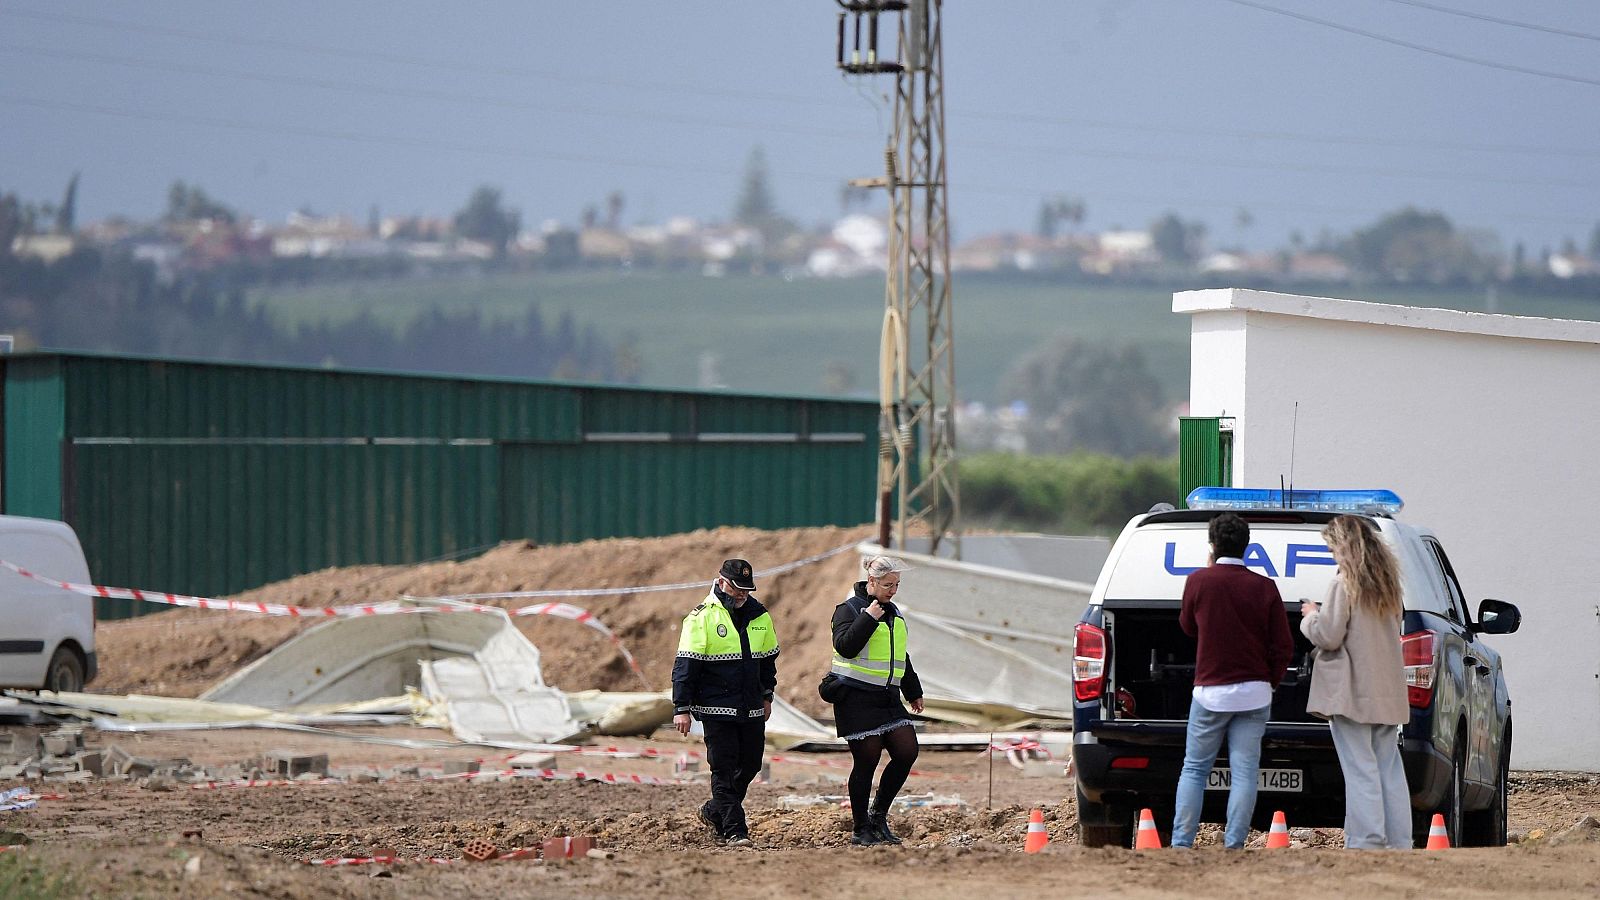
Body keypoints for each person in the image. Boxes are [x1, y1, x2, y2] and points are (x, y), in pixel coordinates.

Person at [1172, 512, 1294, 849]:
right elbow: (1283, 645)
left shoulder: (1199, 581)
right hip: (1255, 693)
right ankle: (1234, 844)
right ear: (1248, 547)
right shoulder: (1265, 586)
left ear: (1211, 545)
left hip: (1210, 690)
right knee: (1245, 772)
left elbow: (1187, 626)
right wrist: (1270, 682)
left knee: (1195, 769)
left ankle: (1182, 843)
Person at [1300, 515, 1412, 849]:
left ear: (1345, 546)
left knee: (1360, 768)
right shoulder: (1390, 584)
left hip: (1352, 692)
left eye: (1333, 548)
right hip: (1388, 692)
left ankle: (1366, 841)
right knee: (1388, 769)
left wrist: (1310, 616)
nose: (1332, 555)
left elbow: (1329, 635)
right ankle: (1399, 841)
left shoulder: (1343, 583)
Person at [672, 558, 779, 847]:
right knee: (722, 766)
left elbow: (768, 662)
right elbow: (686, 666)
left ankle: (713, 811)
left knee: (751, 764)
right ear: (722, 583)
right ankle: (734, 830)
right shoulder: (701, 617)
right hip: (716, 707)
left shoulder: (761, 616)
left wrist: (767, 694)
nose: (742, 595)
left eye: (746, 590)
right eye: (737, 589)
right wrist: (681, 707)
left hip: (752, 705)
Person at [829, 555, 925, 846]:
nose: (892, 590)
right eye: (887, 585)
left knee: (907, 751)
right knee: (867, 760)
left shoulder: (894, 612)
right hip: (856, 699)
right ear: (871, 582)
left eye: (896, 585)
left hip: (887, 698)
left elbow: (899, 655)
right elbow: (845, 647)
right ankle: (861, 828)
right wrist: (868, 618)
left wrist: (913, 690)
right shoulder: (848, 610)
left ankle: (878, 815)